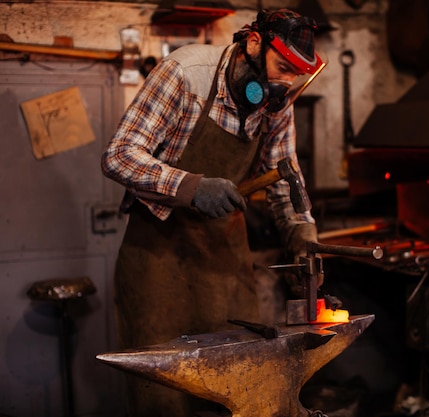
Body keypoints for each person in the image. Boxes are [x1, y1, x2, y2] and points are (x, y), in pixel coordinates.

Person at [101, 8, 324, 417]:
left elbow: (283, 176)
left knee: (239, 386)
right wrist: (190, 187)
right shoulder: (186, 74)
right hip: (158, 258)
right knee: (163, 395)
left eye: (296, 73)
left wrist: (302, 234)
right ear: (253, 44)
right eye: (282, 67)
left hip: (223, 258)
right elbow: (118, 156)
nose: (286, 83)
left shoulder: (278, 101)